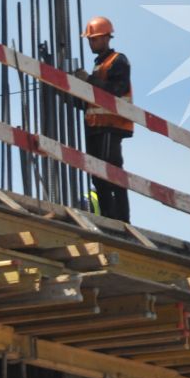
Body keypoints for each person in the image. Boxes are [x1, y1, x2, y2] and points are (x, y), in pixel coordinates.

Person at [76, 15, 133, 224]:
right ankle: (109, 218)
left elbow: (116, 91)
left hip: (112, 125)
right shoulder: (98, 66)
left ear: (107, 38)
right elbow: (91, 101)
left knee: (112, 173)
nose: (91, 42)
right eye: (90, 39)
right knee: (97, 175)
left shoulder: (118, 61)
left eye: (95, 39)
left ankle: (122, 221)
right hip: (95, 126)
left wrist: (88, 81)